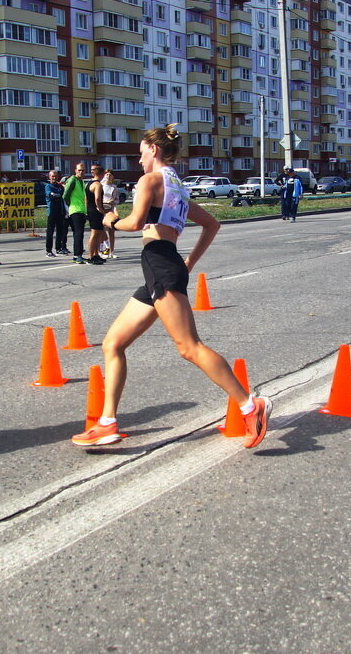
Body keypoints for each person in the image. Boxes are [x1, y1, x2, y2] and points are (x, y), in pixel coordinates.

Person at [71, 124, 271, 448]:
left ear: (153, 149)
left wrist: (110, 220)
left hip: (160, 265)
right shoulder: (177, 187)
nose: (138, 161)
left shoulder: (150, 181)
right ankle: (107, 422)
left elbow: (135, 223)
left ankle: (251, 406)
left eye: (140, 153)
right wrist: (188, 263)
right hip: (164, 266)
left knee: (189, 347)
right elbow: (211, 224)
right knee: (113, 344)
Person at [62, 162, 88, 264]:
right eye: (79, 170)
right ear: (75, 170)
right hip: (75, 210)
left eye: (83, 170)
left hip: (81, 210)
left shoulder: (81, 181)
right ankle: (77, 255)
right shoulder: (72, 180)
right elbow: (65, 195)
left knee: (80, 234)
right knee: (78, 233)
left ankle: (79, 254)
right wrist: (70, 205)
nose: (81, 172)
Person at [84, 165, 108, 265]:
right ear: (101, 174)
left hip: (90, 209)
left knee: (98, 233)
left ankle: (96, 254)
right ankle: (91, 256)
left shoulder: (88, 183)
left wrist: (86, 210)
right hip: (95, 210)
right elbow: (97, 198)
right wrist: (100, 209)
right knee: (94, 234)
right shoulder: (98, 184)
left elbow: (85, 198)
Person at [44, 170, 68, 257]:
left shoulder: (60, 186)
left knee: (60, 231)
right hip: (52, 211)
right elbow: (51, 195)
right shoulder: (48, 186)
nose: (54, 178)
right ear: (49, 177)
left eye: (55, 176)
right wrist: (57, 195)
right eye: (52, 176)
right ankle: (48, 250)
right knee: (50, 232)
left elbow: (64, 196)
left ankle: (58, 248)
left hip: (60, 211)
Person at [101, 170, 120, 258]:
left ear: (112, 177)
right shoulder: (100, 185)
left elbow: (117, 199)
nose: (108, 176)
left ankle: (111, 252)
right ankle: (102, 249)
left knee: (111, 231)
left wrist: (113, 202)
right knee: (101, 230)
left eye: (110, 174)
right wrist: (104, 202)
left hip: (110, 209)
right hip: (102, 209)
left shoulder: (114, 187)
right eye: (106, 174)